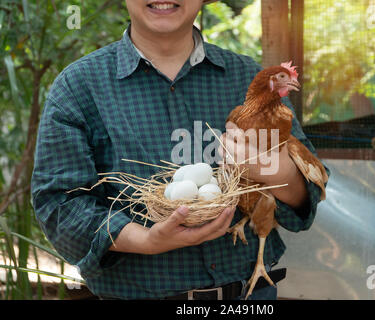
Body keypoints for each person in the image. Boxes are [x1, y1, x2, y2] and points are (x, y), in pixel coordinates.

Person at [31, 0, 329, 300]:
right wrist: (146, 240)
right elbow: (58, 205)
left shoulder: (248, 78)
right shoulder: (80, 87)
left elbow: (310, 193)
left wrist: (278, 171)